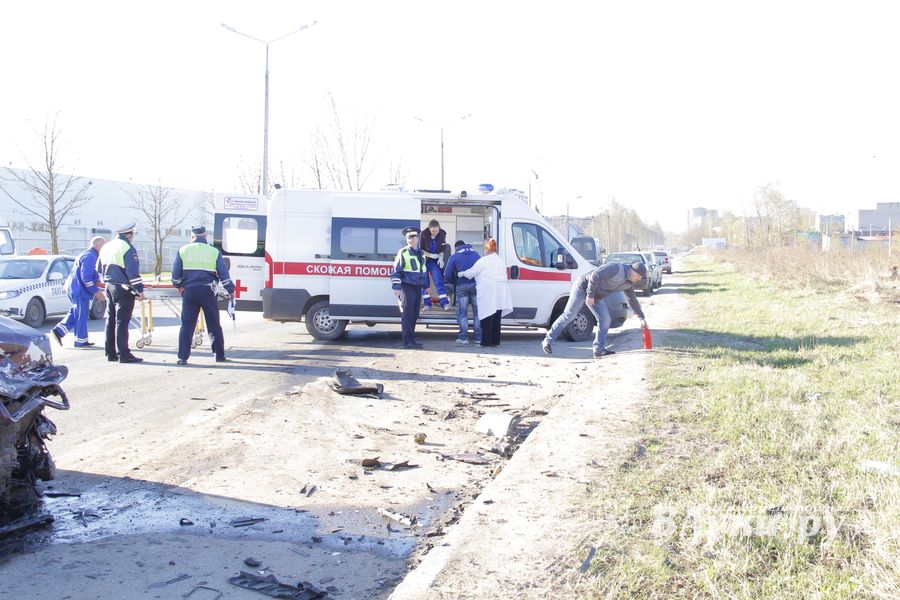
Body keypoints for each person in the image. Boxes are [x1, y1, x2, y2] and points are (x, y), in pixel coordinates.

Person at [542, 261, 648, 359]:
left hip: (596, 296)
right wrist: (590, 295)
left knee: (605, 319)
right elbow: (596, 275)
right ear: (633, 270)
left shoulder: (628, 284)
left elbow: (632, 300)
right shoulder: (615, 268)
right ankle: (548, 340)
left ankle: (599, 349)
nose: (639, 279)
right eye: (639, 276)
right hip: (582, 287)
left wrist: (641, 318)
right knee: (569, 315)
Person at [172, 226, 235, 365]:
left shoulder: (183, 250)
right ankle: (219, 355)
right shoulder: (214, 251)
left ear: (192, 237)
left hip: (189, 292)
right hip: (208, 292)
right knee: (214, 324)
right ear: (205, 236)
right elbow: (223, 274)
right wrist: (230, 289)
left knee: (187, 325)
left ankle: (182, 357)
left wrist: (179, 286)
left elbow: (175, 275)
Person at [98, 222, 145, 363]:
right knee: (122, 322)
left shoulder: (106, 246)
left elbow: (99, 268)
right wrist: (139, 290)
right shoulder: (127, 248)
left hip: (109, 285)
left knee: (110, 320)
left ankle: (110, 353)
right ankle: (124, 354)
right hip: (123, 288)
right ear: (128, 235)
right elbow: (132, 273)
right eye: (132, 235)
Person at [51, 236, 105, 348]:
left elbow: (89, 274)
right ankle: (79, 341)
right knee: (81, 314)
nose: (104, 247)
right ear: (96, 245)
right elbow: (86, 277)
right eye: (103, 245)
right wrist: (96, 291)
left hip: (75, 288)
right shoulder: (91, 256)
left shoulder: (86, 254)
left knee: (76, 312)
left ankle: (61, 331)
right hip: (80, 290)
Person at [459, 238, 512, 347]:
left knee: (487, 316)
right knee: (496, 317)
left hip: (489, 290)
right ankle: (495, 341)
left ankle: (485, 342)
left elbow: (472, 273)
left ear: (487, 248)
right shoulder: (500, 260)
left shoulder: (483, 260)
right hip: (501, 291)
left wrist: (462, 273)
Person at [391, 227, 429, 348]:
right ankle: (407, 341)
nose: (412, 240)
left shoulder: (421, 254)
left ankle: (412, 340)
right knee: (407, 315)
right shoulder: (403, 252)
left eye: (414, 237)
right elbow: (396, 271)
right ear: (407, 240)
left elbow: (423, 271)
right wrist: (397, 288)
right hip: (406, 287)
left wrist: (426, 286)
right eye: (409, 238)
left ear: (418, 238)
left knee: (414, 314)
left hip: (417, 288)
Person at [443, 239, 482, 345]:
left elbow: (447, 275)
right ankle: (478, 338)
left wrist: (449, 282)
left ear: (456, 248)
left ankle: (463, 338)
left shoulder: (454, 257)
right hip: (476, 286)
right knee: (477, 313)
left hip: (462, 286)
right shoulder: (476, 255)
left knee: (462, 313)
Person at [418, 219, 450, 310]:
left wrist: (441, 257)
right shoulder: (423, 235)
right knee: (425, 283)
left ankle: (444, 303)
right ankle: (427, 304)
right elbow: (421, 250)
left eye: (437, 230)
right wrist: (430, 255)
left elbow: (442, 249)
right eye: (433, 231)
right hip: (424, 260)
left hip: (434, 262)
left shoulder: (442, 234)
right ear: (429, 229)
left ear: (439, 228)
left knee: (438, 280)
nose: (435, 233)